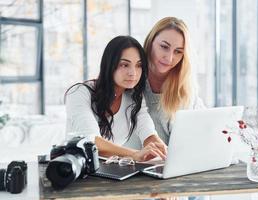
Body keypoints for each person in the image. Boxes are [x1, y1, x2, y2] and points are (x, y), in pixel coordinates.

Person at [65, 36, 167, 162]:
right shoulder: (79, 93)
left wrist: (162, 150)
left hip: (110, 171)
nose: (133, 73)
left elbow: (147, 131)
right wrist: (135, 154)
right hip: (75, 169)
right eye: (124, 65)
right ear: (110, 64)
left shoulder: (134, 96)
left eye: (138, 65)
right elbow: (90, 141)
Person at [143, 17, 206, 145]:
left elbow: (201, 134)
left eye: (178, 51)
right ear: (150, 42)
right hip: (128, 161)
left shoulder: (185, 90)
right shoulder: (130, 79)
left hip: (170, 163)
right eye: (164, 47)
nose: (170, 58)